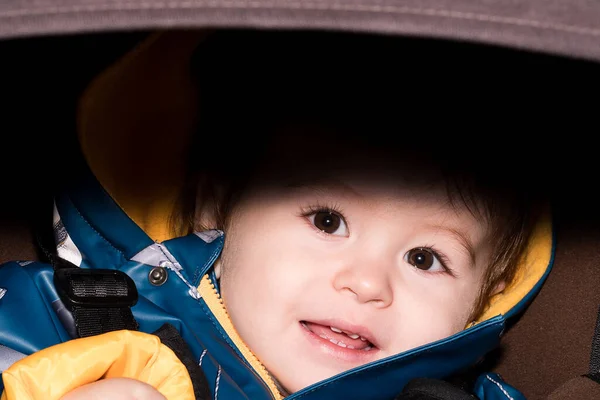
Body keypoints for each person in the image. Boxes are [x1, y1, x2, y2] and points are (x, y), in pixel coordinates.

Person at [0, 29, 553, 400]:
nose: (366, 283)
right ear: (222, 205)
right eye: (328, 220)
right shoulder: (76, 318)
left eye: (424, 257)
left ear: (486, 294)